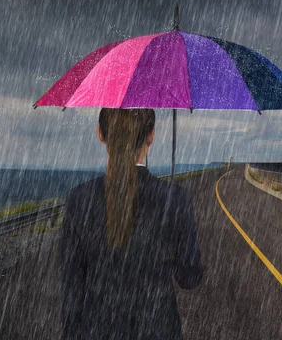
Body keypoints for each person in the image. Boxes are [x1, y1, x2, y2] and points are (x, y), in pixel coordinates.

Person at [60, 108, 203, 339]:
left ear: (101, 134)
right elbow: (189, 278)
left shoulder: (79, 199)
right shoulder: (175, 198)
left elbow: (71, 286)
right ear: (151, 136)